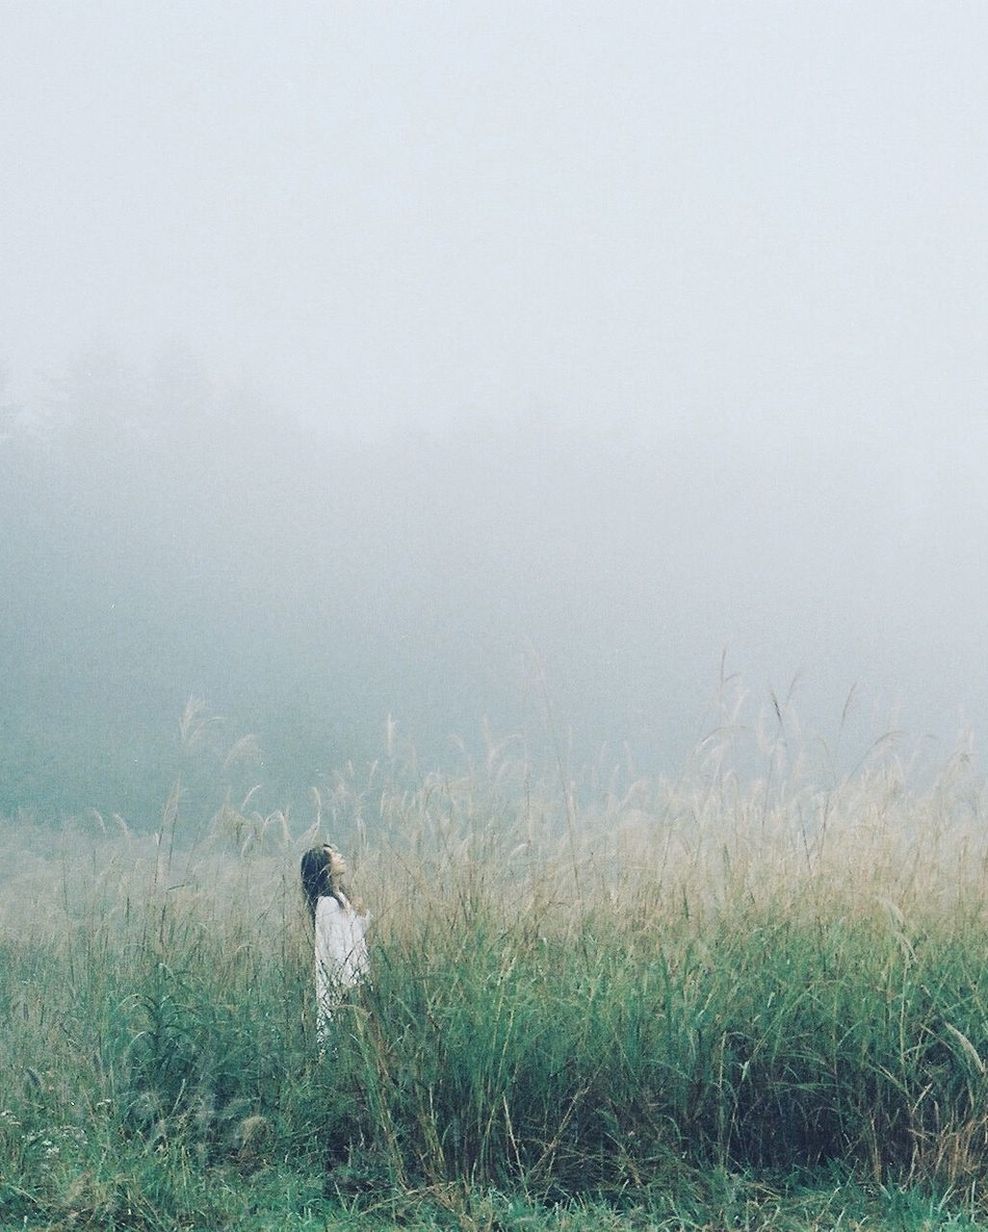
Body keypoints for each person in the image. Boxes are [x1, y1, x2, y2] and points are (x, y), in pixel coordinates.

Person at [300, 843, 370, 1046]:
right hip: (342, 988)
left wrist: (361, 911)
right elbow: (336, 950)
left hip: (355, 981)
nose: (340, 856)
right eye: (333, 855)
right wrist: (350, 986)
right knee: (341, 1040)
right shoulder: (327, 904)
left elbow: (356, 935)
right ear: (323, 867)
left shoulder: (340, 898)